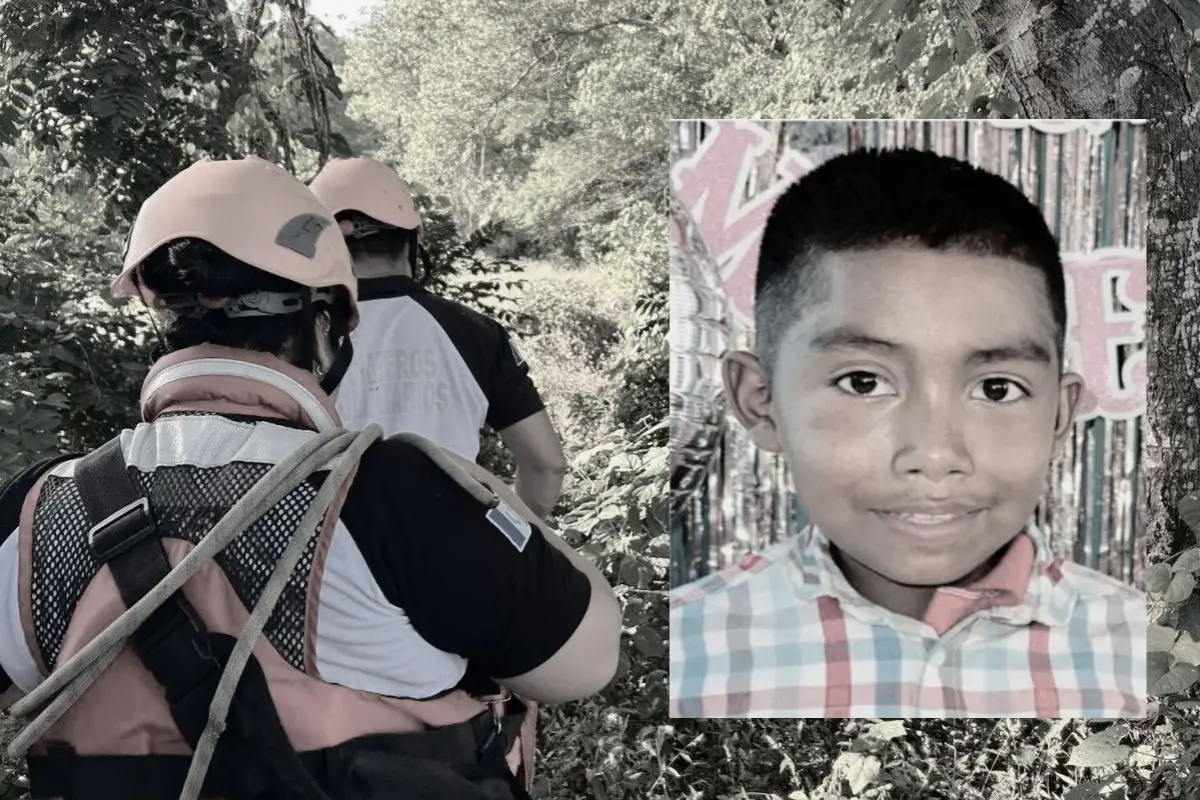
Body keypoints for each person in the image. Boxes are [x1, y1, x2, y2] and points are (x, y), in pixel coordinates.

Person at [0, 155, 621, 799]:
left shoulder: (36, 507)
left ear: (160, 321)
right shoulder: (395, 493)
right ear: (324, 326)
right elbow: (587, 661)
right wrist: (477, 489)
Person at [669, 148, 1146, 719]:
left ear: (1059, 414)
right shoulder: (690, 651)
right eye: (864, 382)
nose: (936, 454)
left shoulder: (1149, 656)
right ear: (760, 402)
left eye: (997, 389)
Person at [308, 157, 567, 520]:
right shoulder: (475, 332)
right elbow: (546, 465)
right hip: (454, 554)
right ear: (416, 237)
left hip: (333, 559)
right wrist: (514, 539)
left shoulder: (298, 337)